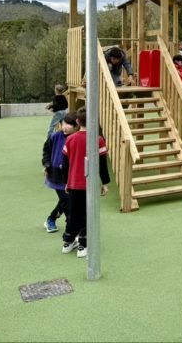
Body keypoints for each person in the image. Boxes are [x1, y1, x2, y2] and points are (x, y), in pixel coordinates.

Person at [61, 108, 109, 258]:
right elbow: (102, 164)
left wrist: (66, 182)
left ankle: (68, 242)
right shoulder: (98, 139)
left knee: (74, 213)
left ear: (77, 121)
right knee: (87, 214)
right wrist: (105, 183)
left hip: (73, 184)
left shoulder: (70, 139)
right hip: (90, 185)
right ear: (93, 121)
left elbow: (65, 164)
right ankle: (83, 244)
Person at [41, 113, 78, 233]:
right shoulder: (55, 136)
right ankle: (70, 224)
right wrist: (46, 164)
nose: (65, 127)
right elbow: (46, 151)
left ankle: (52, 219)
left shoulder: (76, 138)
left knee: (66, 200)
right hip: (56, 174)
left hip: (71, 175)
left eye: (69, 125)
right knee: (66, 199)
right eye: (64, 123)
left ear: (76, 126)